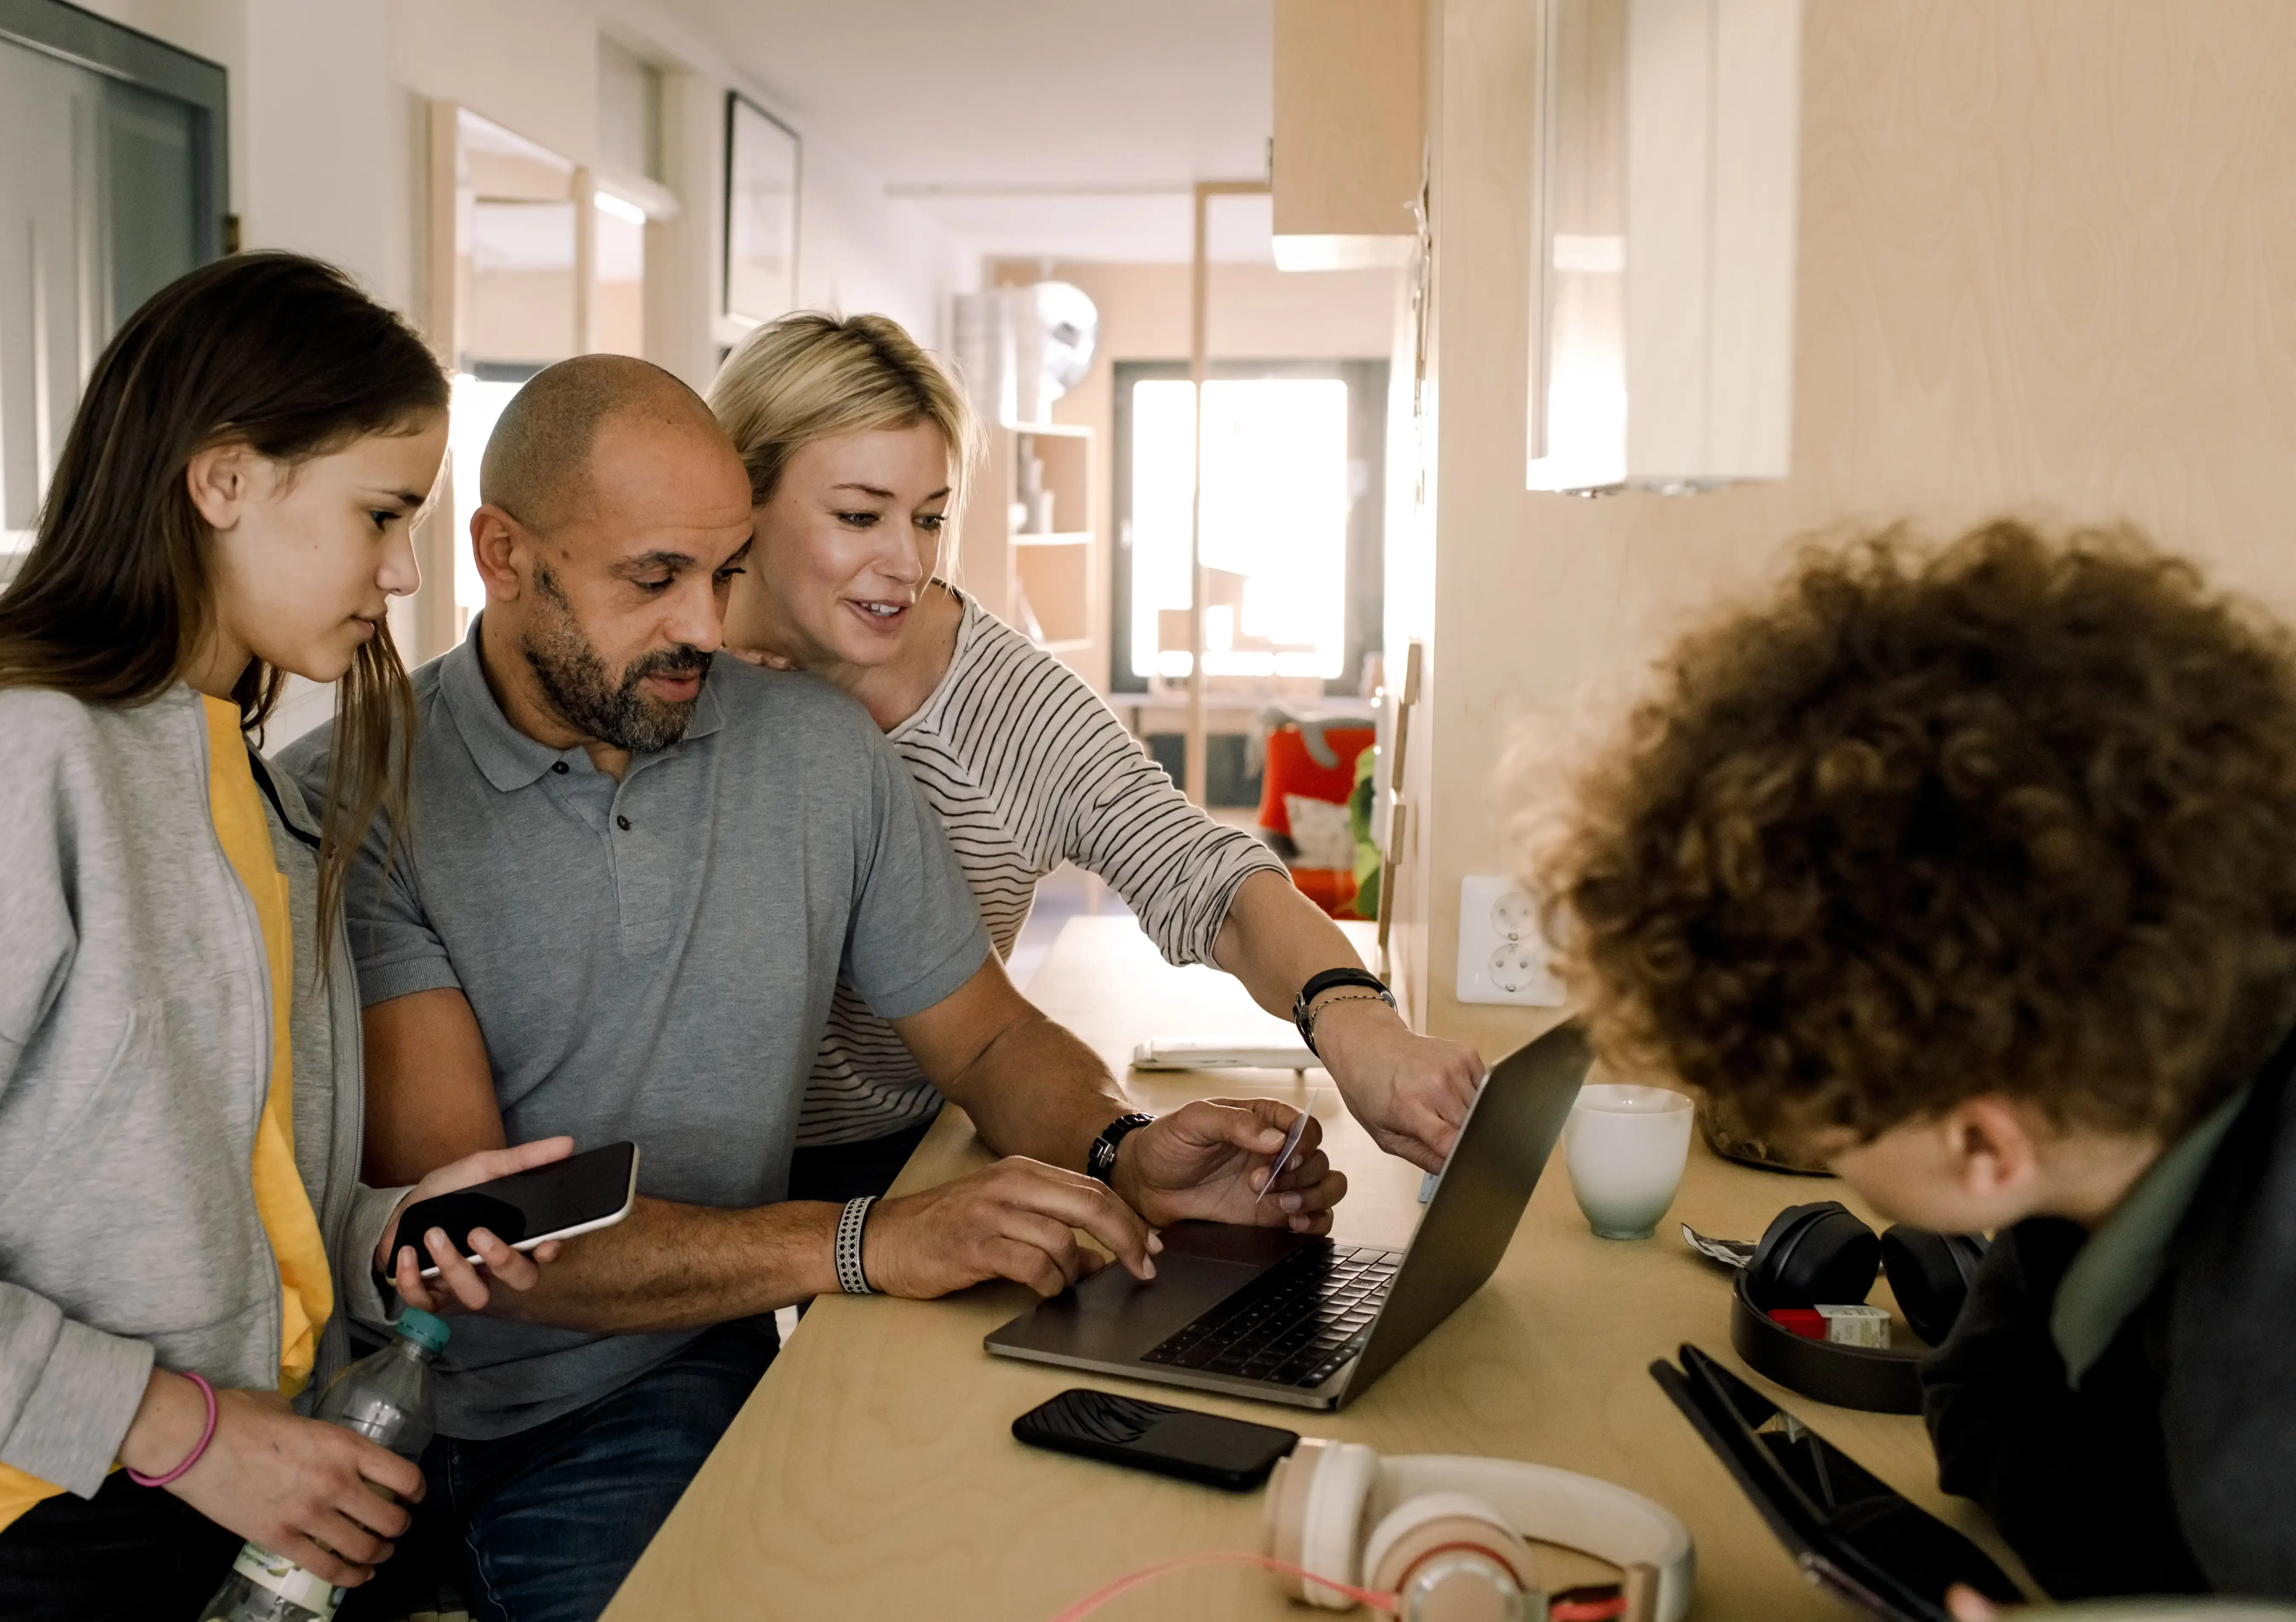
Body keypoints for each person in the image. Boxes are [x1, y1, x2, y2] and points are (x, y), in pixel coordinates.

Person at [278, 351, 1346, 1622]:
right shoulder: (351, 794)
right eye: (654, 579)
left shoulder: (820, 755)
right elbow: (486, 1235)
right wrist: (860, 1240)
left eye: (724, 573)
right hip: (361, 1409)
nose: (706, 629)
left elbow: (991, 1043)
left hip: (651, 1384)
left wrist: (1122, 1147)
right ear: (501, 556)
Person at [0, 253, 567, 1622]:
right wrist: (177, 1430)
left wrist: (390, 1234)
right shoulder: (16, 758)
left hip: (198, 1498)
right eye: (379, 513)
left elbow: (201, 1203)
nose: (401, 571)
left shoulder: (256, 796)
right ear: (225, 479)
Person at [1536, 520, 2296, 1608]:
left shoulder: (2261, 1432)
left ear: (1983, 1146)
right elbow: (1985, 1397)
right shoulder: (2124, 1118)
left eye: (1826, 1119)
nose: (1809, 1139)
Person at [704, 311, 1486, 1206]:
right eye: (857, 515)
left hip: (908, 1150)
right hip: (690, 1161)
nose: (907, 562)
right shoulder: (662, 682)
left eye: (929, 518)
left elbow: (1199, 870)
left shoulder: (1001, 702)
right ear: (742, 498)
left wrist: (1356, 1018)